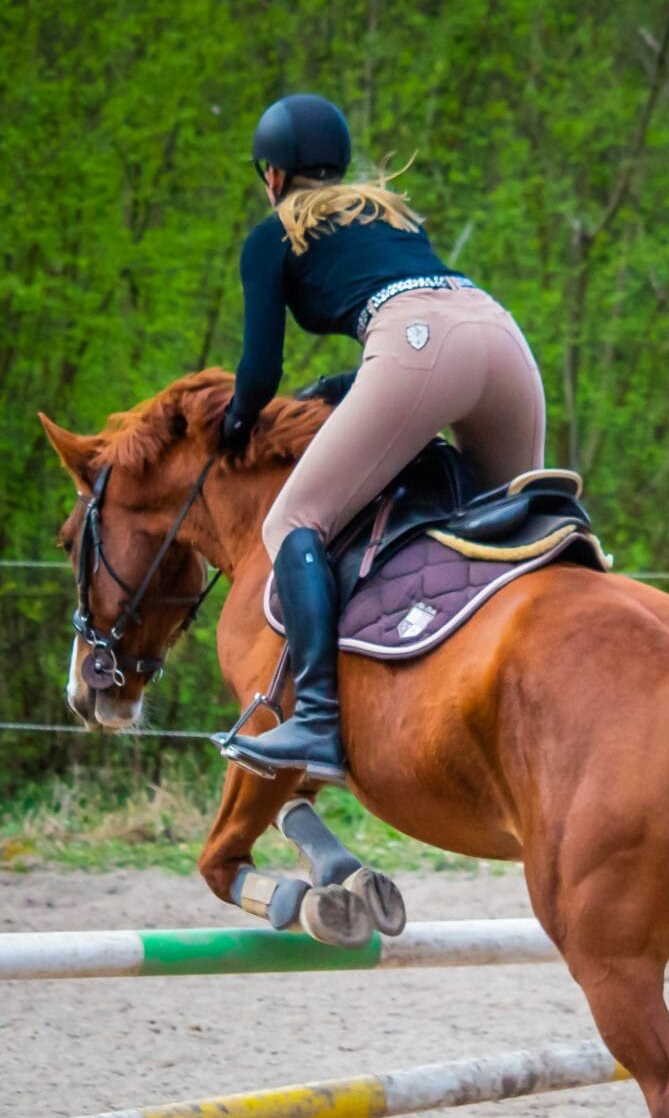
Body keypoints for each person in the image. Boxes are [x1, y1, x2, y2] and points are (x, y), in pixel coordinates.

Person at [214, 93, 549, 785]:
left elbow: (259, 370)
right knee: (525, 525)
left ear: (271, 174)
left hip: (416, 342)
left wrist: (237, 425)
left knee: (293, 521)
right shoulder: (388, 212)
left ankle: (316, 722)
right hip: (498, 333)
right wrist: (344, 385)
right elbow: (419, 316)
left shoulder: (272, 235)